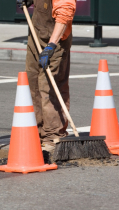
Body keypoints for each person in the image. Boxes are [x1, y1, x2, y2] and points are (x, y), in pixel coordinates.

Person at [17, 0, 76, 151]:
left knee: (49, 87)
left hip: (56, 41)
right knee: (33, 84)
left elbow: (64, 14)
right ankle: (35, 131)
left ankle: (53, 135)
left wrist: (51, 46)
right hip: (36, 35)